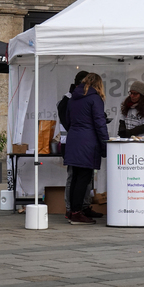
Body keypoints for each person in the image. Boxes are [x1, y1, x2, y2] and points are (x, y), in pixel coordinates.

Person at [57, 71, 102, 221]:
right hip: (87, 142)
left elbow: (69, 121)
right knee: (82, 177)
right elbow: (99, 123)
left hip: (74, 140)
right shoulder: (94, 99)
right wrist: (104, 143)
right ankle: (76, 211)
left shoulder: (72, 99)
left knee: (77, 177)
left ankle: (74, 210)